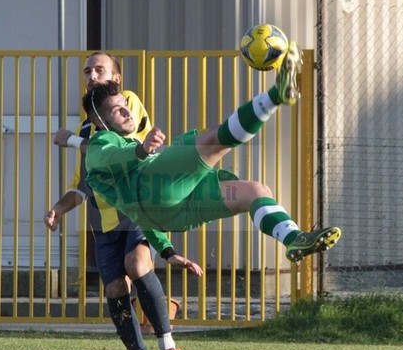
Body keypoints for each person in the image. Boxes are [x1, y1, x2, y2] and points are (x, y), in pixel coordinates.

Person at [83, 42, 341, 272]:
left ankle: (293, 238)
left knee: (255, 191)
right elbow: (112, 157)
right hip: (159, 188)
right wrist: (142, 150)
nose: (129, 114)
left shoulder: (121, 152)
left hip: (171, 215)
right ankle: (277, 94)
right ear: (98, 120)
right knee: (213, 140)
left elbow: (139, 212)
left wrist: (166, 251)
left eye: (126, 107)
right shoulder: (100, 144)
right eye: (118, 111)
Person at [45, 52, 195, 350]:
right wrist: (58, 208)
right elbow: (83, 184)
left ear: (117, 77)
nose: (92, 75)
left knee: (138, 263)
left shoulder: (127, 103)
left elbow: (127, 144)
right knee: (114, 290)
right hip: (104, 222)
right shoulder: (89, 124)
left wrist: (71, 140)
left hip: (137, 208)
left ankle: (170, 348)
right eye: (87, 70)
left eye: (100, 69)